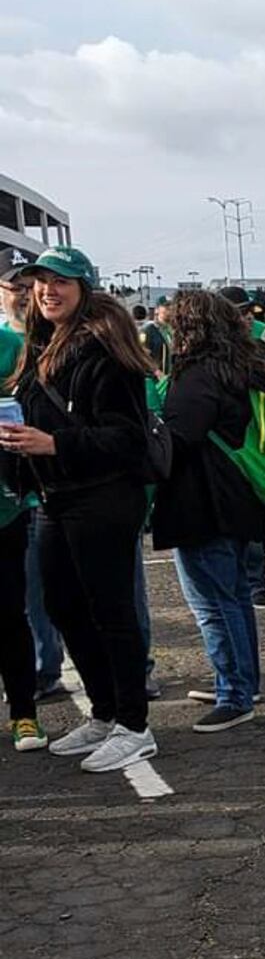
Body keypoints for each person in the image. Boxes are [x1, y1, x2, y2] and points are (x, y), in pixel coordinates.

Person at [0, 247, 157, 773]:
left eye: (61, 281)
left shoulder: (106, 348)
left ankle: (135, 725)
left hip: (103, 496)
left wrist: (55, 445)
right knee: (64, 607)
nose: (48, 290)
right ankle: (105, 710)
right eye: (41, 282)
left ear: (84, 287)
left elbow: (129, 438)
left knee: (111, 611)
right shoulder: (40, 344)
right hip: (52, 498)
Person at [154, 290, 265, 732]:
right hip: (241, 496)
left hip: (202, 499)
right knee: (233, 597)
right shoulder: (245, 366)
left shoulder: (198, 375)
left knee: (212, 602)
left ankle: (234, 691)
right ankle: (241, 681)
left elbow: (181, 435)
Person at [1, 260, 66, 699]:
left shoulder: (49, 342)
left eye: (34, 285)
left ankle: (42, 672)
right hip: (20, 483)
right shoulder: (10, 340)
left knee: (42, 590)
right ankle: (41, 670)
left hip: (37, 485)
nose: (27, 293)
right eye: (17, 286)